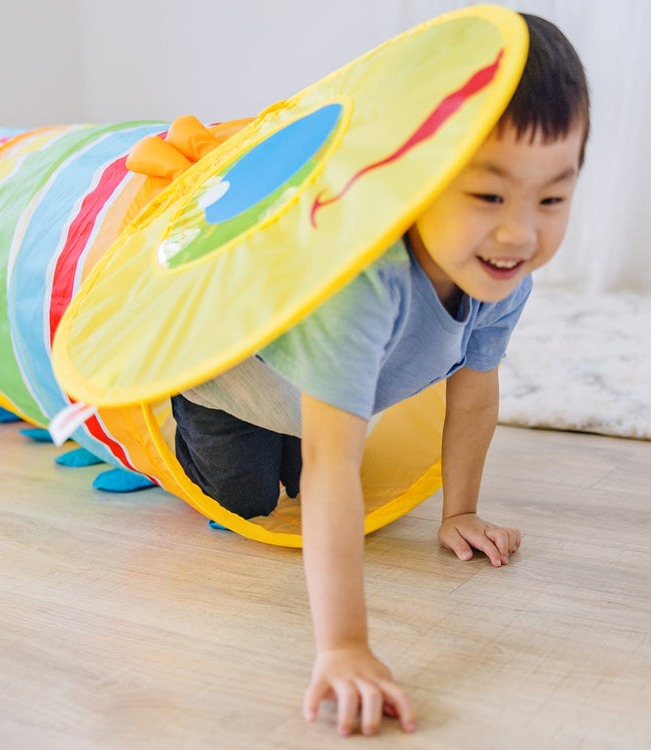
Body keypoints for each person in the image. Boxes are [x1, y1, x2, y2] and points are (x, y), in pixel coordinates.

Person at [170, 12, 590, 737]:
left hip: (315, 395)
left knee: (313, 464)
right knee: (249, 497)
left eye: (551, 198)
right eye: (490, 196)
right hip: (236, 386)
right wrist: (344, 646)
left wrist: (458, 511)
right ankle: (180, 415)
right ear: (417, 176)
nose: (521, 232)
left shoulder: (502, 276)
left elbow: (475, 395)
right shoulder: (365, 287)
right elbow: (336, 463)